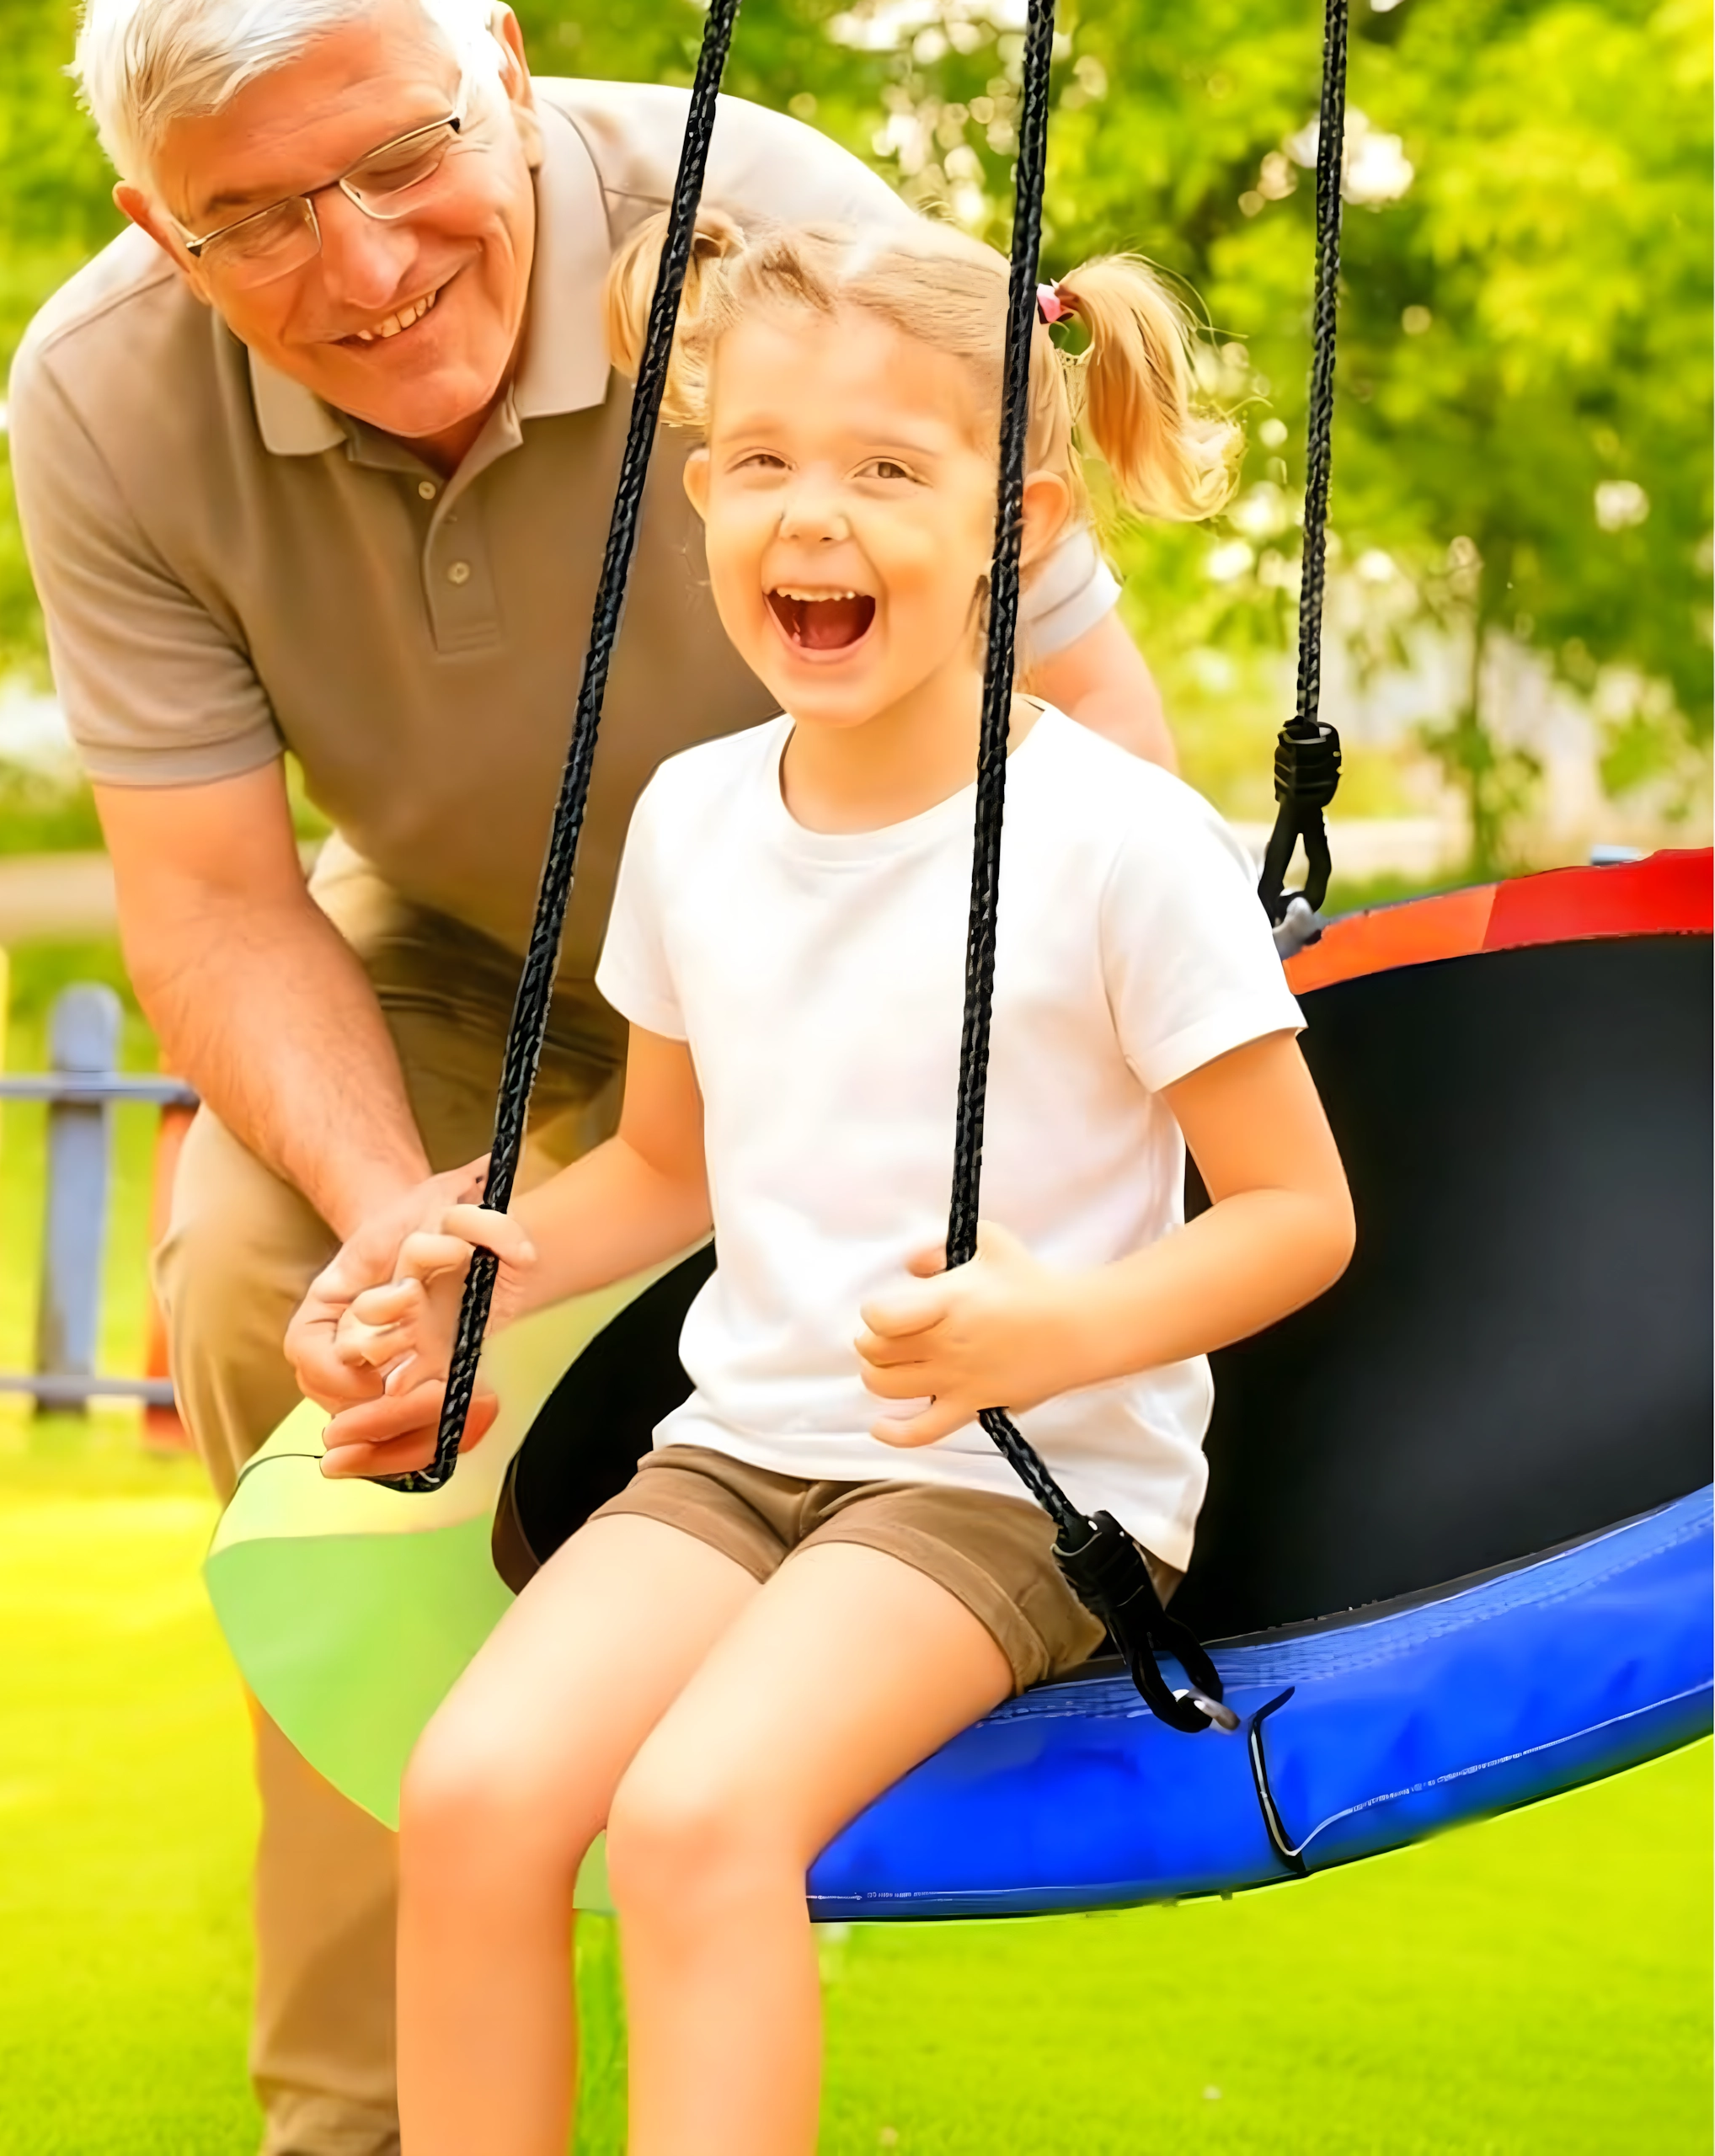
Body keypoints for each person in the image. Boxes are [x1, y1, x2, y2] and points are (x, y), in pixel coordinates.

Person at [12, 2, 1190, 2146]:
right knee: (274, 1278)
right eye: (254, 220)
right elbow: (214, 903)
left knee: (708, 1777)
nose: (362, 265)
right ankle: (369, 2099)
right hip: (475, 927)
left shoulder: (774, 225)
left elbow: (1085, 726)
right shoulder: (103, 390)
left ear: (507, 63)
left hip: (858, 921)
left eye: (399, 159)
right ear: (152, 225)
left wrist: (1046, 1188)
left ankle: (747, 1755)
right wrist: (412, 1240)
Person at [315, 211, 1358, 2156]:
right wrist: (472, 1270)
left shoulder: (1120, 844)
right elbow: (664, 1166)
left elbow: (1297, 1214)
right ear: (700, 497)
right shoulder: (694, 820)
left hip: (1018, 1482)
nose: (817, 512)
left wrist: (1054, 1327)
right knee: (473, 1789)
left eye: (889, 467)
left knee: (697, 1813)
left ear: (1013, 525)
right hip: (739, 1450)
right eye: (767, 460)